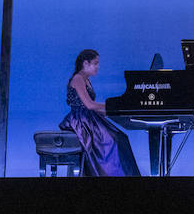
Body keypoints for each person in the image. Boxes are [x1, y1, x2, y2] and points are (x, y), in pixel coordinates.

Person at [59, 49, 141, 177]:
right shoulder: (78, 78)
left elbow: (93, 107)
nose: (98, 66)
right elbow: (89, 105)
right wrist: (112, 106)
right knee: (114, 140)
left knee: (121, 137)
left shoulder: (86, 79)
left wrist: (114, 111)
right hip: (81, 120)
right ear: (86, 63)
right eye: (95, 63)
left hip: (89, 118)